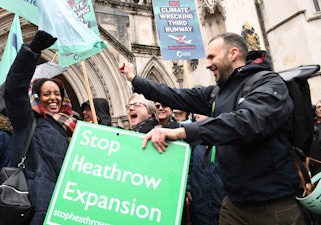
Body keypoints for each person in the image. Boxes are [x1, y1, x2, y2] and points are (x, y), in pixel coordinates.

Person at [120, 32, 306, 224]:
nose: (207, 64)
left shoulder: (268, 82)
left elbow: (245, 123)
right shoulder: (218, 93)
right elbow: (175, 95)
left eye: (211, 57)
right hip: (234, 204)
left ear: (233, 54)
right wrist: (135, 79)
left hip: (273, 206)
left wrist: (181, 132)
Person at [4, 30, 76, 225]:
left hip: (61, 206)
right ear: (37, 97)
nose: (53, 98)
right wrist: (31, 51)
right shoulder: (27, 120)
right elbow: (13, 89)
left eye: (57, 93)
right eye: (46, 94)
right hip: (31, 204)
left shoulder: (73, 131)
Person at [186, 113, 225, 225]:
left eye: (200, 112)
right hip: (199, 205)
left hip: (222, 204)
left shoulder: (226, 141)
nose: (196, 115)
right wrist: (188, 188)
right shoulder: (195, 143)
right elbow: (189, 166)